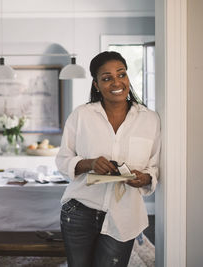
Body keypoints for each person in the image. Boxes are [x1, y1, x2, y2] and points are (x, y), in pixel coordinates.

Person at [55, 51, 160, 267]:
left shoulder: (150, 120)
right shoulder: (81, 116)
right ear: (96, 85)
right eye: (107, 78)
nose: (116, 82)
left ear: (128, 78)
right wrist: (89, 163)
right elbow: (63, 159)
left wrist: (146, 178)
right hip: (79, 209)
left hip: (125, 214)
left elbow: (154, 167)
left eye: (121, 75)